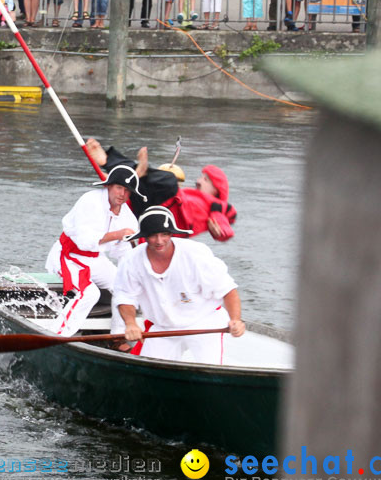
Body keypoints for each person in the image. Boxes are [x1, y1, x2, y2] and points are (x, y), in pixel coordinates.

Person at [114, 207, 246, 364]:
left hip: (204, 323)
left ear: (171, 233)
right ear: (144, 237)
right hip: (163, 327)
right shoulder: (131, 260)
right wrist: (130, 323)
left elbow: (227, 289)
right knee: (148, 372)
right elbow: (125, 296)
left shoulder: (195, 253)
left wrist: (236, 320)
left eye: (164, 234)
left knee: (210, 371)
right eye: (153, 235)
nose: (159, 240)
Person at [42, 165, 141, 337]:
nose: (122, 194)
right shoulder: (90, 201)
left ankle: (117, 336)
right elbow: (84, 242)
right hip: (67, 257)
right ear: (108, 186)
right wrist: (118, 234)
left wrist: (136, 271)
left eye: (127, 191)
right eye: (119, 188)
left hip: (96, 259)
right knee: (90, 293)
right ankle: (56, 334)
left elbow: (123, 253)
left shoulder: (128, 217)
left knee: (124, 286)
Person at [85, 138, 237, 242]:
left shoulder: (216, 207)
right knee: (141, 186)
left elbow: (226, 227)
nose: (198, 180)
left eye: (205, 179)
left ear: (217, 189)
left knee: (169, 181)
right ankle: (117, 170)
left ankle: (115, 165)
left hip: (164, 218)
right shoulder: (194, 197)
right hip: (150, 208)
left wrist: (221, 232)